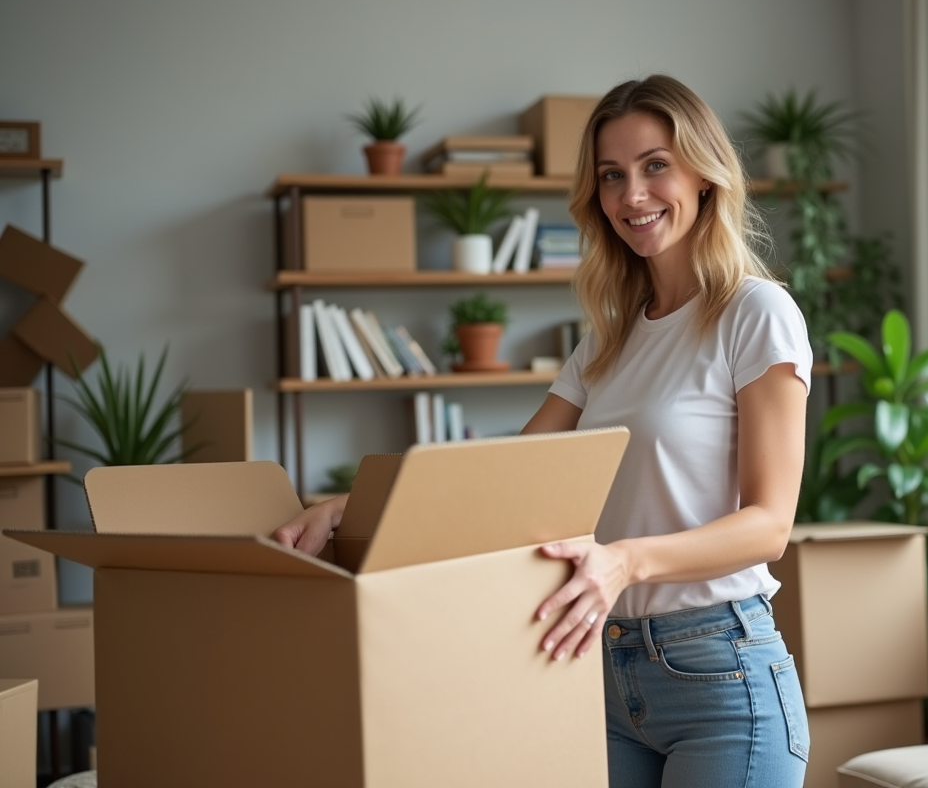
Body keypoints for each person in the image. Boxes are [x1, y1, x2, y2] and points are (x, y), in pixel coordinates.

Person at [272, 73, 812, 788]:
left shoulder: (755, 313)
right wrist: (354, 506)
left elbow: (769, 525)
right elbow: (506, 480)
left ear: (704, 175)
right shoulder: (608, 340)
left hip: (720, 672)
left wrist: (623, 561)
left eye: (655, 166)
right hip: (603, 665)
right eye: (611, 175)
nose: (632, 195)